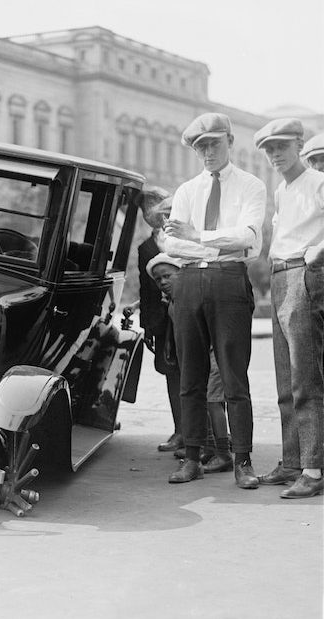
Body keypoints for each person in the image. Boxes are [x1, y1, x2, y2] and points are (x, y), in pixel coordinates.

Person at [164, 112, 266, 488]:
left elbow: (247, 237)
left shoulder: (251, 186)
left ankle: (242, 460)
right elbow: (171, 243)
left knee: (234, 376)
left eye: (213, 143)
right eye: (200, 146)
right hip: (189, 281)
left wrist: (198, 234)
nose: (207, 152)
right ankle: (192, 458)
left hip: (229, 280)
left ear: (230, 141)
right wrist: (206, 237)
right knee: (191, 375)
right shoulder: (187, 190)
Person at [254, 118, 324, 498]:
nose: (275, 154)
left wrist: (319, 251)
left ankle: (313, 470)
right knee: (285, 378)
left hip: (304, 273)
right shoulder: (282, 191)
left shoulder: (317, 181)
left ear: (299, 144)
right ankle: (293, 461)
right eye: (269, 149)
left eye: (281, 146)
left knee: (305, 377)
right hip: (281, 274)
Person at [146, 253, 233, 477]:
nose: (163, 282)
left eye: (168, 276)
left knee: (214, 402)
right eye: (158, 280)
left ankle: (224, 453)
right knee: (201, 400)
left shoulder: (193, 297)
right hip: (200, 357)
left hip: (214, 355)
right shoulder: (173, 302)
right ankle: (209, 446)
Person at [132, 186, 182, 452]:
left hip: (187, 315)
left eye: (154, 204)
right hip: (162, 323)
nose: (150, 212)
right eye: (144, 207)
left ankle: (209, 434)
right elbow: (145, 288)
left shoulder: (183, 239)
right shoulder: (145, 248)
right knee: (171, 374)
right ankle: (180, 430)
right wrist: (148, 326)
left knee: (199, 373)